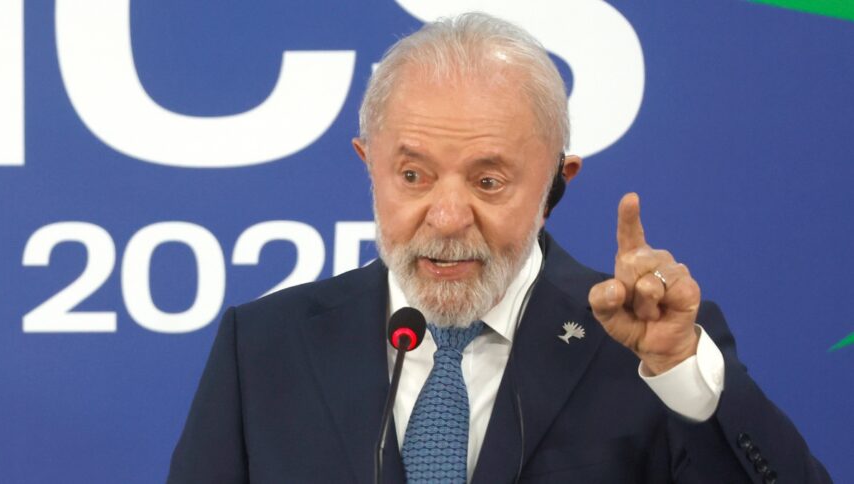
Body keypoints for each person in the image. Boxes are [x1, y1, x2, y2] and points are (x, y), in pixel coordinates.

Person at [168, 13, 830, 483]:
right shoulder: (263, 349)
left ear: (555, 184)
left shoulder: (650, 347)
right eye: (412, 176)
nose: (448, 217)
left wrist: (681, 372)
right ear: (368, 165)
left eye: (489, 182)